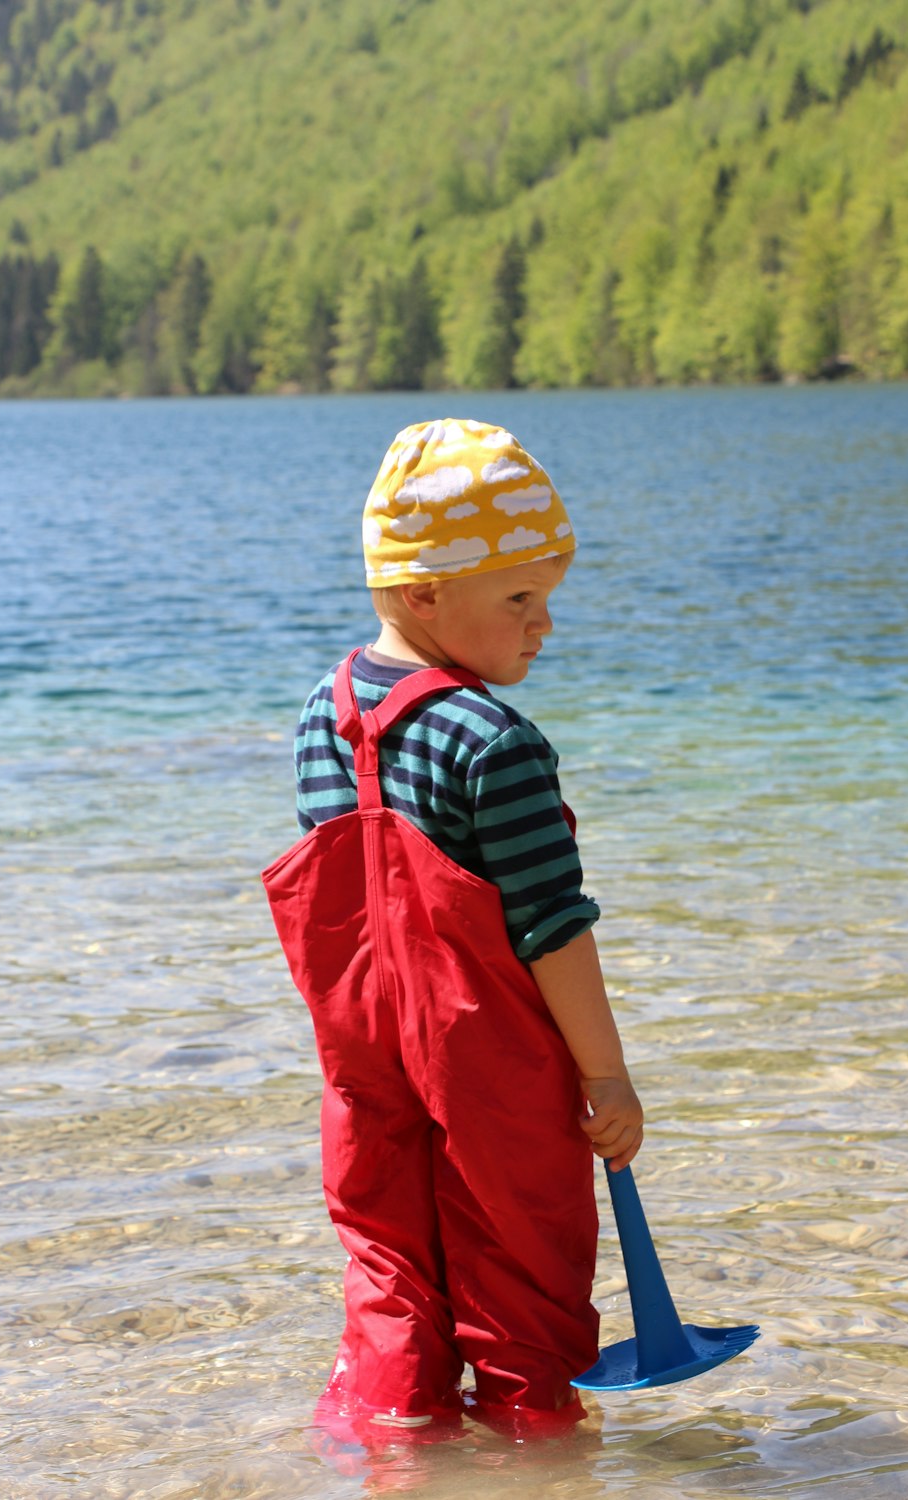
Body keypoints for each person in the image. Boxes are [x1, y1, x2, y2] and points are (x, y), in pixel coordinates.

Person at [263, 418, 643, 1437]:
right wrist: (605, 1077)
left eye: (547, 598)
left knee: (389, 1278)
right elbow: (552, 928)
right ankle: (535, 1459)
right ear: (424, 593)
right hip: (490, 1072)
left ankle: (395, 1457)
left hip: (364, 1073)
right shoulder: (492, 740)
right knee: (523, 1298)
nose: (543, 624)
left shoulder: (320, 712)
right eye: (519, 598)